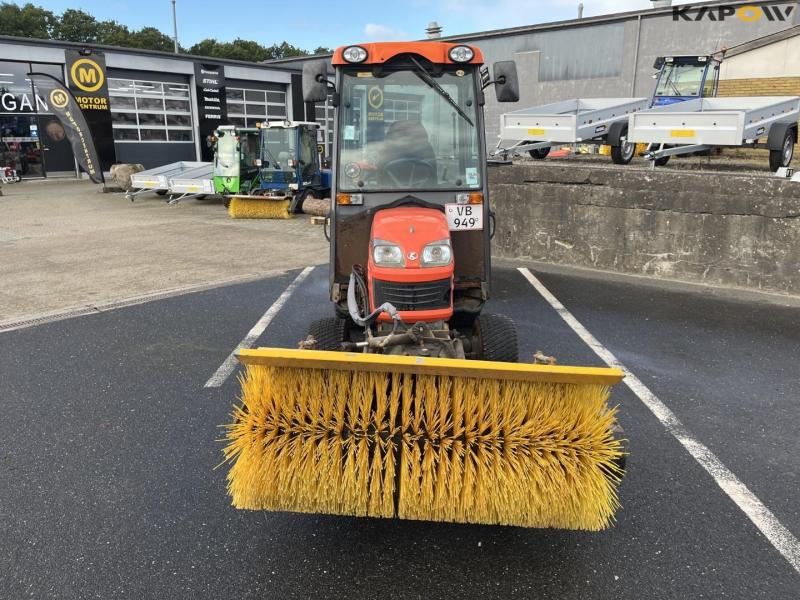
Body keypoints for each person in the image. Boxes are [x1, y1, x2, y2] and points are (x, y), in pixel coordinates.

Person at [377, 119, 437, 187]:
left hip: (388, 194)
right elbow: (433, 177)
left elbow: (380, 178)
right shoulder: (426, 147)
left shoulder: (386, 149)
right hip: (425, 194)